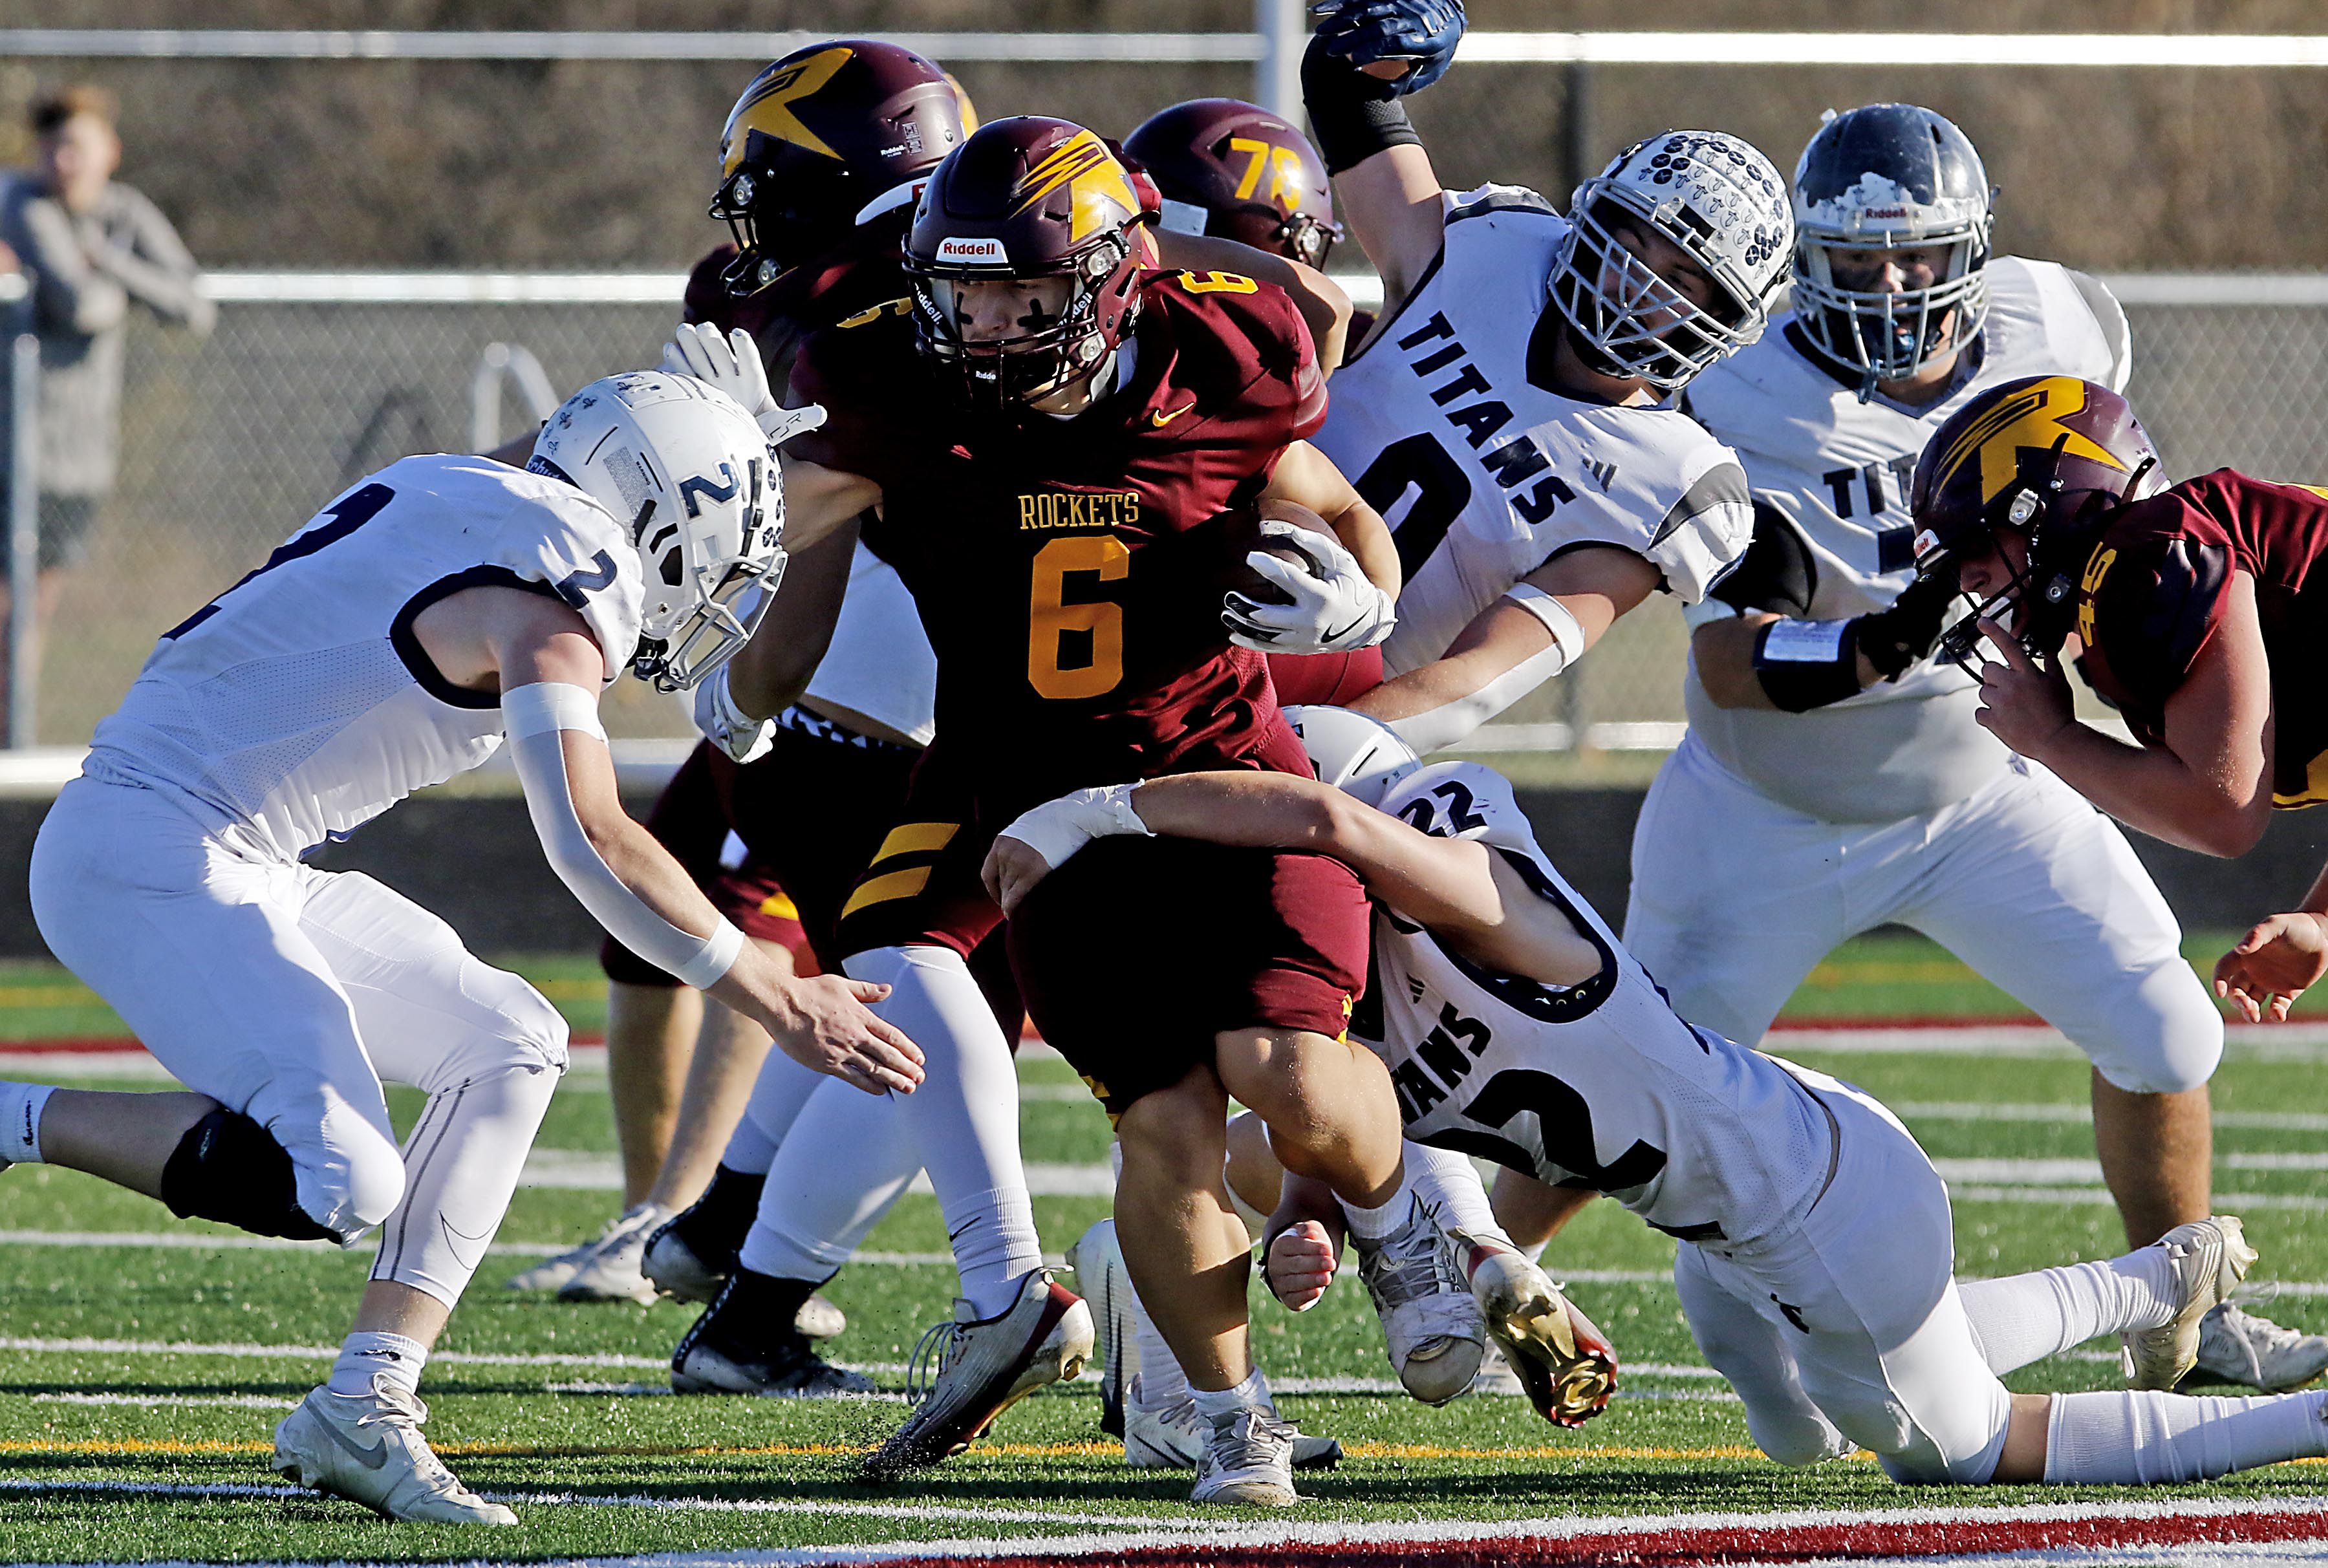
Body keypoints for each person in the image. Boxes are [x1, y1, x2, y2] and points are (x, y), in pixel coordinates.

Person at [0, 371, 921, 1523]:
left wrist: (689, 414)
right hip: (149, 855)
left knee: (511, 1037)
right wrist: (777, 995)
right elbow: (589, 837)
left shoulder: (453, 481)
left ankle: (364, 1403)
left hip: (228, 852)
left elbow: (576, 442)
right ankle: (10, 1118)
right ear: (660, 523)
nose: (714, 597)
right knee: (338, 1179)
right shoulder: (548, 604)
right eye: (720, 555)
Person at [985, 714, 2328, 1498]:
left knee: (1962, 1450)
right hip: (1802, 1165)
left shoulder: (1502, 914)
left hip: (1812, 1214)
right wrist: (1316, 1209)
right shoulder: (1347, 1004)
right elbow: (1337, 1133)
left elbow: (1334, 830)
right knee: (1858, 1372)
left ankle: (2302, 1421)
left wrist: (1106, 808)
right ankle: (2156, 1274)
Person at [691, 114, 1408, 1492]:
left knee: (1274, 1067)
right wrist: (731, 670)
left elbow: (1335, 497)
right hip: (1008, 776)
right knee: (1107, 1085)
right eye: (965, 290)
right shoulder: (887, 381)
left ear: (1111, 275)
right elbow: (795, 561)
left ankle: (1403, 1231)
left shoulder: (1221, 356)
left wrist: (1361, 579)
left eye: (1023, 291)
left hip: (1205, 759)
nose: (989, 321)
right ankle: (1009, 1305)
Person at [1610, 104, 2324, 1392]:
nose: (1893, 288)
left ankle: (2185, 1312)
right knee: (1623, 1082)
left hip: (1980, 782)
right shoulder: (1736, 387)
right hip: (1766, 809)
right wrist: (1878, 650)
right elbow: (1727, 657)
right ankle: (1474, 1271)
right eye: (1859, 262)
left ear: (1975, 251)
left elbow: (2115, 513)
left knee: (2169, 1029)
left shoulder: (2063, 321)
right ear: (1802, 265)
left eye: (1922, 257)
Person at [508, 38, 973, 1327]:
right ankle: (704, 1233)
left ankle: (751, 1253)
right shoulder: (788, 292)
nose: (750, 214)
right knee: (745, 945)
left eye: (771, 178)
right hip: (834, 685)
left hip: (894, 706)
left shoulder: (922, 304)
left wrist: (761, 672)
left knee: (888, 987)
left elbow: (832, 502)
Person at [1300, 3, 1784, 764]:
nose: (1636, 282)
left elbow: (1473, 681)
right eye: (1632, 242)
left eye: (1682, 276)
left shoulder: (1669, 486)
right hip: (1193, 549)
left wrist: (1297, 750)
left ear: (1721, 317)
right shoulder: (1493, 248)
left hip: (1322, 691)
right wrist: (1372, 44)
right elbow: (1345, 95)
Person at [1913, 378, 2328, 1068]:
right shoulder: (2145, 568)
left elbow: (2224, 811)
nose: (1969, 580)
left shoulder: (2144, 557)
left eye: (1977, 545)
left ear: (2049, 503)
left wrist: (2055, 741)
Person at [0, 84, 213, 731]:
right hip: (11, 446)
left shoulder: (125, 215)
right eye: (51, 146)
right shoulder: (22, 202)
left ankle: (14, 732)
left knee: (36, 604)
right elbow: (81, 306)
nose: (61, 161)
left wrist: (113, 264)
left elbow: (194, 308)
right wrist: (113, 287)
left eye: (75, 146)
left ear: (108, 152)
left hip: (76, 454)